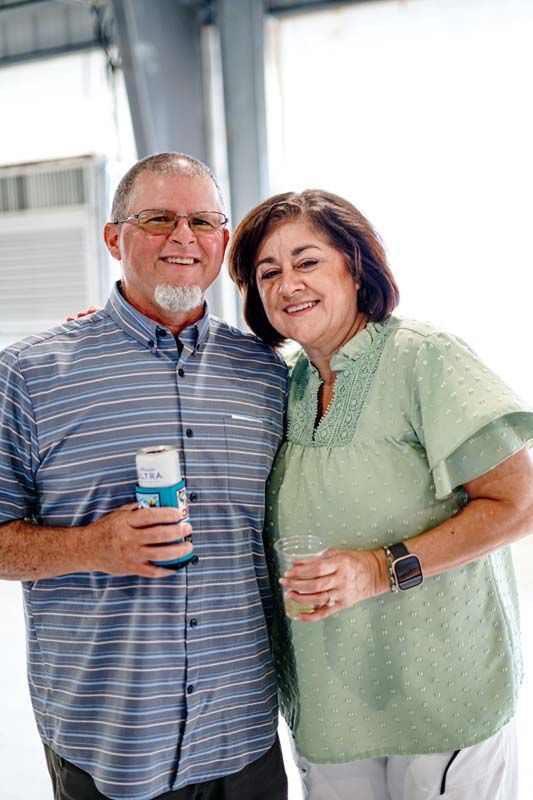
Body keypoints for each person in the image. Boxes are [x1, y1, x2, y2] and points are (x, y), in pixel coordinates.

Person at [228, 188, 533, 800]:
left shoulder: (423, 358)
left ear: (354, 264)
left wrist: (378, 569)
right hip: (331, 700)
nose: (289, 283)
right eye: (269, 271)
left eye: (307, 261)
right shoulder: (284, 385)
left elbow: (519, 502)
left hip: (440, 693)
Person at [0, 153, 288, 800]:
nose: (183, 238)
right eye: (158, 218)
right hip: (109, 742)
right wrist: (92, 546)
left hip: (242, 736)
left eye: (203, 221)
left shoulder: (271, 378)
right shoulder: (28, 376)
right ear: (113, 238)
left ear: (221, 240)